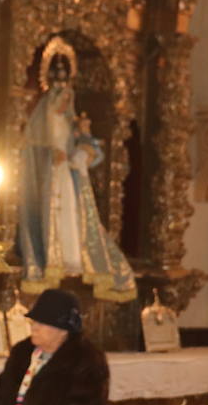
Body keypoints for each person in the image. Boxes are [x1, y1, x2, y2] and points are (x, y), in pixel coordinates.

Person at [18, 38, 135, 303]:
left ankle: (72, 260)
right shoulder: (43, 119)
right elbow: (32, 151)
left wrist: (81, 145)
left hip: (69, 177)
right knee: (53, 212)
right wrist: (52, 156)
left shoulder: (73, 122)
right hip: (51, 177)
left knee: (72, 214)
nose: (65, 101)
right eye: (62, 96)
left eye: (68, 95)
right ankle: (53, 260)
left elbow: (92, 152)